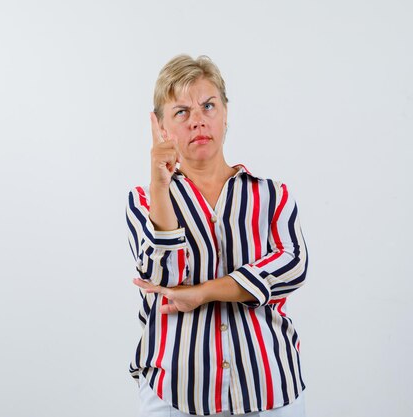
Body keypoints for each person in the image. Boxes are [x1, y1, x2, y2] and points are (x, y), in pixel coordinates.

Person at [125, 54, 308, 417]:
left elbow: (292, 267)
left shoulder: (271, 195)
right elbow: (163, 281)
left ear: (225, 114)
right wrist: (161, 187)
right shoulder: (144, 199)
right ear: (159, 125)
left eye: (208, 106)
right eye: (181, 112)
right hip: (176, 392)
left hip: (269, 387)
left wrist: (204, 292)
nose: (198, 121)